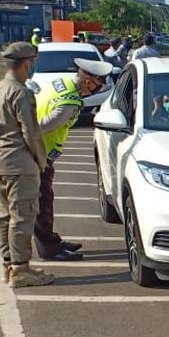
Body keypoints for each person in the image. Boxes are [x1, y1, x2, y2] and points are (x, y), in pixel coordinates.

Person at [0, 43, 54, 288]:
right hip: (18, 162)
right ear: (27, 63)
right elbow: (31, 132)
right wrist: (41, 159)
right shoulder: (21, 93)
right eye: (32, 63)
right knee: (22, 216)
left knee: (5, 217)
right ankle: (20, 270)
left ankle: (10, 265)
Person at [33, 58, 110, 262]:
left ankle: (52, 241)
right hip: (40, 154)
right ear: (88, 82)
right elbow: (43, 126)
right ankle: (49, 247)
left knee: (43, 200)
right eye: (99, 83)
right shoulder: (70, 103)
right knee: (43, 202)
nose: (100, 87)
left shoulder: (62, 84)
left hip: (37, 152)